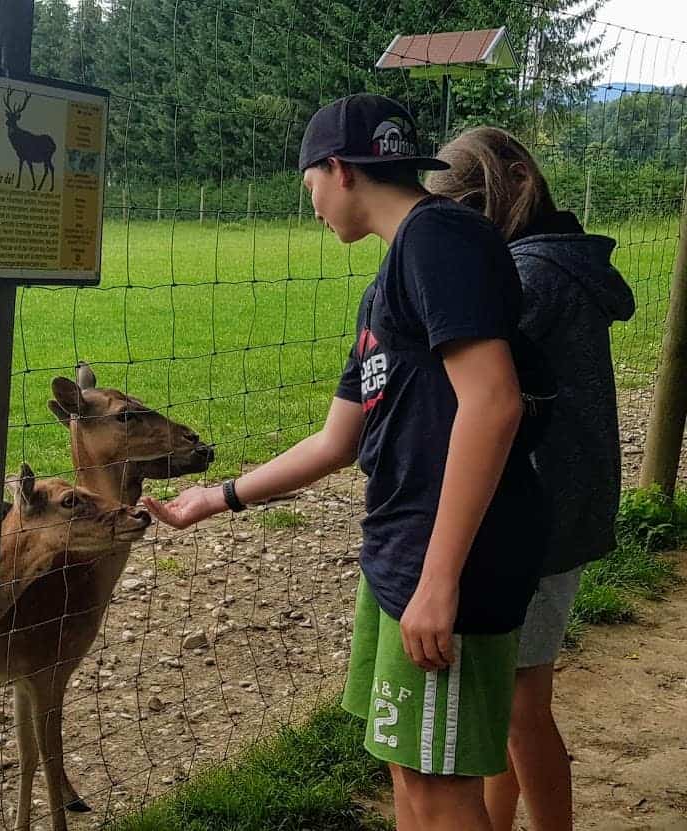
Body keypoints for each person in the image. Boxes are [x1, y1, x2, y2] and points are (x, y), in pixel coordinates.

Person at [145, 94, 547, 830]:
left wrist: (438, 579)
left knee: (441, 784)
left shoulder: (438, 240)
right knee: (408, 764)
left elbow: (494, 403)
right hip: (403, 552)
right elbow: (340, 439)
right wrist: (216, 497)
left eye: (310, 186)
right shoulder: (390, 281)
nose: (313, 205)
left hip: (448, 560)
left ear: (339, 169)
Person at [426, 126, 635, 831]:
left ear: (519, 179)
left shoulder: (533, 275)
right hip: (560, 504)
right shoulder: (554, 263)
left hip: (538, 516)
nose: (468, 226)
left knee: (520, 706)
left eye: (473, 205)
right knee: (508, 700)